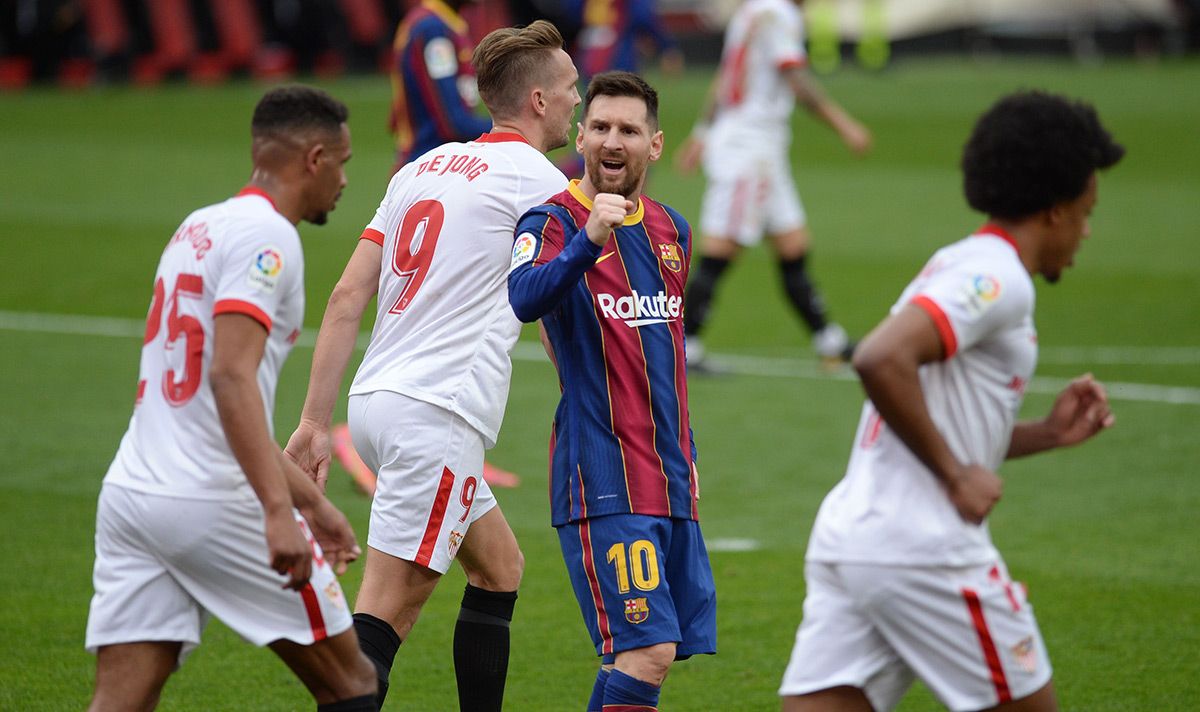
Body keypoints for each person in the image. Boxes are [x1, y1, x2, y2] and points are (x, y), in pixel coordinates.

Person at [779, 90, 1124, 711]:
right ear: (1053, 210)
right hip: (926, 551)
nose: (1087, 230)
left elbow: (927, 404)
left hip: (852, 542)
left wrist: (1045, 432)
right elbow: (880, 358)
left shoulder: (956, 260)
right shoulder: (998, 279)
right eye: (1085, 210)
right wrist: (956, 473)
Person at [283, 20, 580, 711]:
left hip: (379, 403)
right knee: (385, 617)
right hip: (438, 415)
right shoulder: (541, 181)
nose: (576, 100)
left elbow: (348, 294)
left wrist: (314, 422)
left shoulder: (421, 168)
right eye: (569, 89)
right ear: (537, 100)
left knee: (499, 568)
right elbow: (563, 299)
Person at [85, 86, 377, 711]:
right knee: (352, 683)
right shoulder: (270, 240)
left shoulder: (198, 226)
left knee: (121, 700)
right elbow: (229, 380)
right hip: (213, 501)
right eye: (344, 163)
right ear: (315, 158)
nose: (346, 180)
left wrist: (316, 509)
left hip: (134, 496)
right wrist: (280, 512)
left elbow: (207, 410)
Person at [509, 70, 717, 712]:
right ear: (580, 136)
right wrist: (588, 239)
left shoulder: (671, 230)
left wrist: (689, 454)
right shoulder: (551, 219)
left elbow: (664, 360)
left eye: (628, 129)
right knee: (646, 651)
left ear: (655, 145)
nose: (612, 140)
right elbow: (524, 298)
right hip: (603, 476)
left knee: (645, 653)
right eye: (599, 127)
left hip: (669, 474)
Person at [675, 0, 872, 371]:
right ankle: (685, 346)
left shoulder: (752, 11)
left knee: (792, 244)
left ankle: (828, 340)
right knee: (720, 249)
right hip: (748, 151)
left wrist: (702, 132)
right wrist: (845, 125)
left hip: (761, 150)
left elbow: (725, 77)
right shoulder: (778, 14)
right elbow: (797, 81)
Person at [387, 0, 492, 174]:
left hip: (439, 162)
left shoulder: (442, 23)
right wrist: (516, 128)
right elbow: (453, 123)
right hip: (428, 165)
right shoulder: (432, 31)